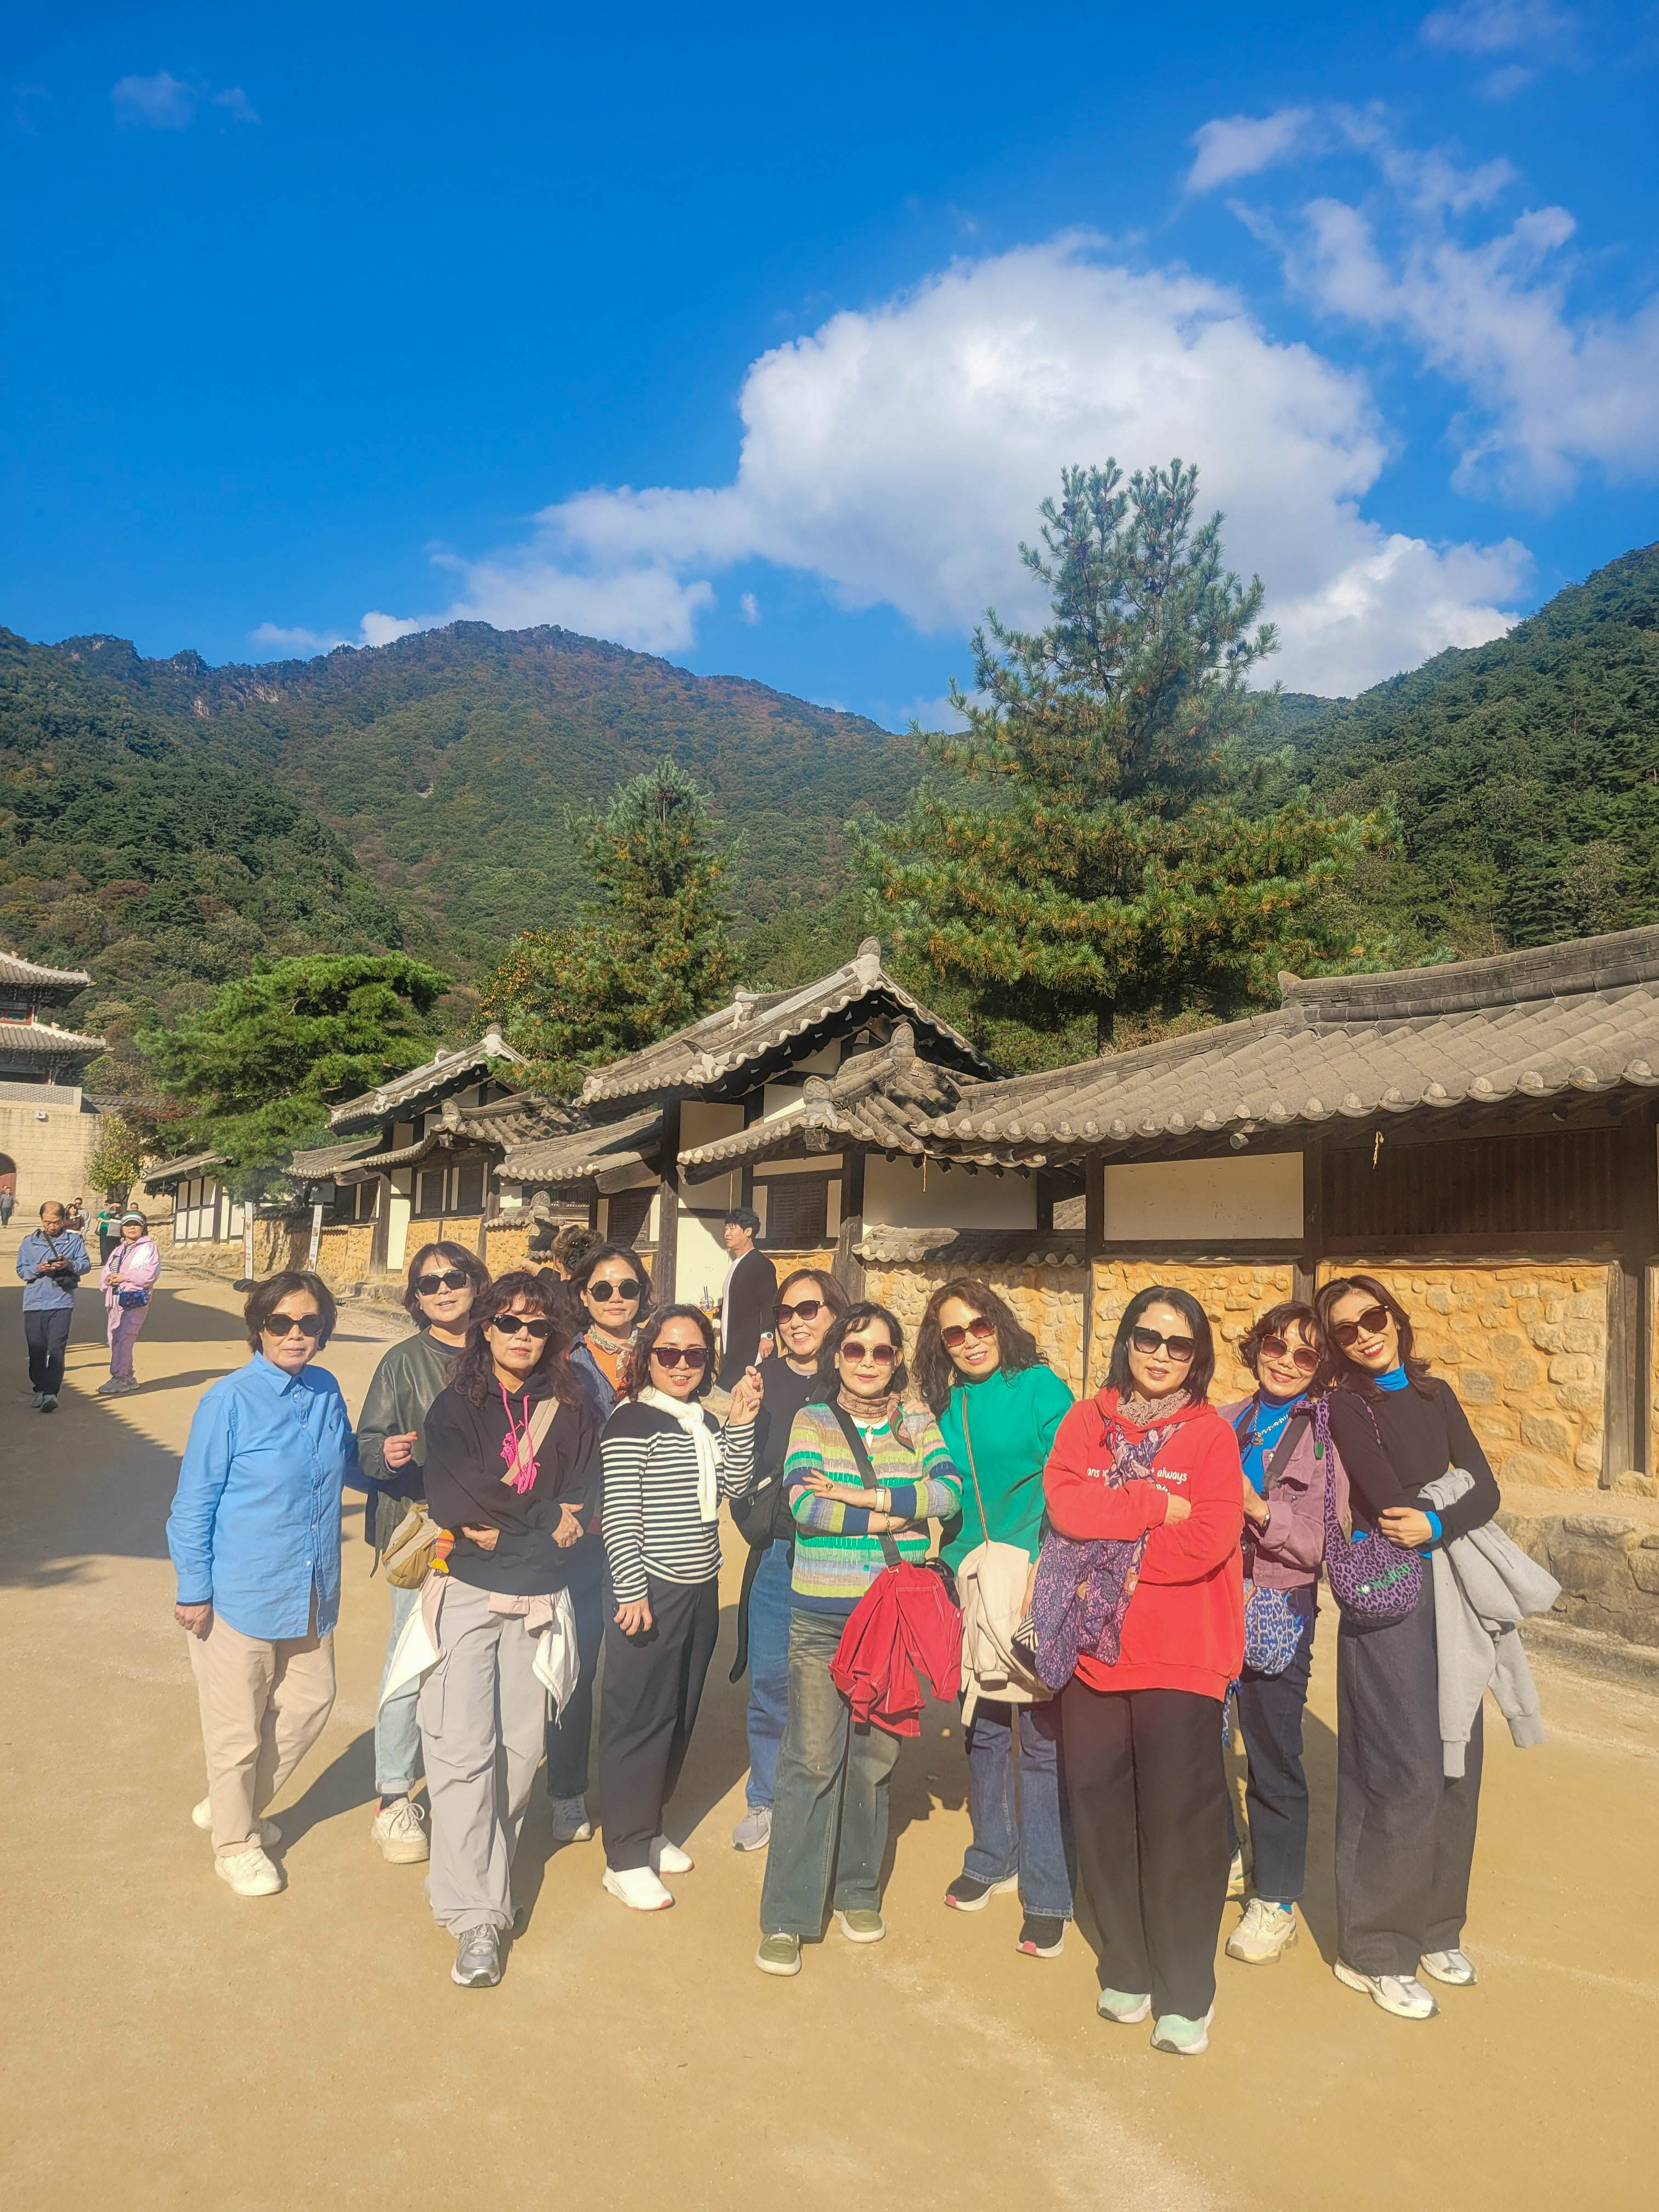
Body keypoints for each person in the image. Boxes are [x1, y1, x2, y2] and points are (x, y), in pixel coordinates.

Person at [1042, 1287, 1244, 2056]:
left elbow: (1211, 1539)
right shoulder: (1085, 1422)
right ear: (1126, 1341)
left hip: (1180, 1657)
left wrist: (1108, 1541)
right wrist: (1154, 1509)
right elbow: (1065, 1508)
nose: (1161, 1354)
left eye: (1178, 1344)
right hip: (1094, 1657)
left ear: (1198, 1356)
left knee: (1178, 1822)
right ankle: (1126, 1963)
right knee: (1099, 1810)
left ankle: (1186, 1989)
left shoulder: (1210, 1437)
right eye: (1147, 1338)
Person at [1315, 1273, 1502, 2022]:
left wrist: (1441, 1520)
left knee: (1459, 1762)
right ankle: (1373, 1950)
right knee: (1401, 1771)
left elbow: (1486, 1489)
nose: (1365, 1334)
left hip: (1453, 1593)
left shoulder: (1437, 1396)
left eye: (1373, 1317)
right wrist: (1441, 1506)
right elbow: (1391, 1501)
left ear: (1394, 1317)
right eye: (1346, 1330)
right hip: (1390, 1596)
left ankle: (1435, 1928)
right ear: (1337, 1347)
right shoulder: (1346, 1406)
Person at [755, 1302, 961, 1978]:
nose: (867, 1362)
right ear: (837, 1357)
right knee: (812, 1760)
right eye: (854, 1350)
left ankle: (857, 1889)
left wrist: (864, 1500)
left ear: (897, 1358)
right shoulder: (812, 1421)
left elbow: (950, 1495)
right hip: (823, 1617)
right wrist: (899, 1509)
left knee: (873, 1761)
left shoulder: (917, 1421)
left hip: (892, 1615)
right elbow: (803, 1507)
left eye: (881, 1351)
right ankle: (788, 1914)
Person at [419, 1270, 600, 1988]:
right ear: (486, 1329)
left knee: (520, 1756)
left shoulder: (575, 1410)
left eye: (537, 1326)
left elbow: (583, 1503)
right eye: (509, 1323)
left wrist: (519, 1529)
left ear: (553, 1335)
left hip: (541, 1597)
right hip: (469, 1594)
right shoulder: (455, 1409)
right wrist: (540, 1519)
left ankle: (482, 1886)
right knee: (463, 1753)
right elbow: (457, 1497)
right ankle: (477, 1917)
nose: (523, 1336)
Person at [166, 1272, 357, 1898]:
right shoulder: (228, 1401)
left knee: (310, 1703)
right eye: (281, 1322)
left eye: (310, 1322)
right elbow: (193, 1504)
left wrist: (385, 1459)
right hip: (240, 1591)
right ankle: (233, 1845)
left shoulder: (325, 1389)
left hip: (310, 1585)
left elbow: (344, 1458)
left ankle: (234, 1806)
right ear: (260, 1327)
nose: (295, 1334)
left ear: (324, 1329)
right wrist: (193, 1589)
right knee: (236, 1730)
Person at [916, 1277, 1075, 1957]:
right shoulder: (941, 1402)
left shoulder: (1040, 1388)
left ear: (1000, 1324)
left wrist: (1052, 1562)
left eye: (981, 1326)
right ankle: (992, 1856)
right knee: (981, 1728)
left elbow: (1073, 1478)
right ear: (941, 1343)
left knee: (1040, 1738)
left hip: (1034, 1574)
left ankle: (1048, 1890)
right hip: (968, 1578)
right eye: (955, 1332)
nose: (971, 1341)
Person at [596, 1304, 761, 1910]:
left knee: (679, 1713)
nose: (682, 1364)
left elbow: (734, 1487)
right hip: (650, 1590)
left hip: (699, 1588)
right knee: (638, 1719)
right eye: (669, 1353)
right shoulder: (631, 1423)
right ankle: (623, 1856)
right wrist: (631, 1589)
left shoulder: (703, 1423)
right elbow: (620, 1514)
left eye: (695, 1354)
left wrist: (740, 1424)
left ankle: (649, 1826)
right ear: (648, 1357)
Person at [356, 1240, 491, 1867]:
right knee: (411, 1658)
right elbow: (367, 1444)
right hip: (424, 1529)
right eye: (429, 1283)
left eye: (454, 1277)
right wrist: (386, 1455)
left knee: (478, 1662)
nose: (443, 1289)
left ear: (475, 1282)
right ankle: (392, 1796)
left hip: (493, 1531)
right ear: (414, 1298)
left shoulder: (502, 1347)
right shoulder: (402, 1362)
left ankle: (464, 1780)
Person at [1217, 1301, 1344, 1966]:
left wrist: (1259, 1510)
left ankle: (1277, 1900)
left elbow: (1325, 1545)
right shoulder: (1224, 1420)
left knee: (1271, 1754)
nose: (1286, 1362)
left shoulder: (1327, 1440)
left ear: (1320, 1368)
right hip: (1209, 1602)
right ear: (1256, 1347)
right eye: (1275, 1345)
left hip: (1276, 1607)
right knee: (1199, 1742)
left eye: (1305, 1354)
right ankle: (1230, 1852)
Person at [729, 1267, 849, 1853]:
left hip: (842, 1553)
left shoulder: (854, 1378)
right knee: (772, 1681)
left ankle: (832, 1798)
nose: (796, 1322)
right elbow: (736, 1473)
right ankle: (766, 1798)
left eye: (809, 1309)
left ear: (835, 1313)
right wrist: (739, 1419)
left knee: (838, 1682)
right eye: (785, 1312)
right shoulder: (761, 1381)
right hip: (778, 1551)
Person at [545, 1240, 656, 1844]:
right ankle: (567, 1791)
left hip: (648, 1536)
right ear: (583, 1297)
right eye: (603, 1289)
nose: (617, 1298)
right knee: (576, 1667)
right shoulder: (564, 1361)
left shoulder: (666, 1353)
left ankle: (630, 1794)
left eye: (628, 1288)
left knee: (636, 1675)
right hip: (585, 1539)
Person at [16, 1199, 89, 1412]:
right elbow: (21, 1270)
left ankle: (51, 1393)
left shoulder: (74, 1241)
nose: (52, 1226)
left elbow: (85, 1265)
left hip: (62, 1301)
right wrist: (38, 1268)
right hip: (34, 1303)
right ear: (41, 1219)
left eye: (56, 1222)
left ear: (64, 1220)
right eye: (47, 1222)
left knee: (57, 1349)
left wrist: (69, 1264)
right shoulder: (29, 1243)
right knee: (36, 1350)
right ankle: (39, 1388)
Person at [97, 1209, 161, 1396]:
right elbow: (108, 1270)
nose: (132, 1228)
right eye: (128, 1225)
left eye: (136, 1225)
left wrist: (124, 1277)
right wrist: (109, 1279)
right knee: (116, 1338)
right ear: (122, 1228)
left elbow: (149, 1275)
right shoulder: (120, 1249)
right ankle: (128, 1376)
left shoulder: (148, 1248)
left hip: (134, 1300)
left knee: (124, 1338)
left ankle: (119, 1378)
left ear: (143, 1227)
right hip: (116, 1299)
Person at [717, 1206, 777, 1388]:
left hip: (750, 1343)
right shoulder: (737, 1263)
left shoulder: (760, 1263)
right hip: (733, 1344)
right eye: (726, 1228)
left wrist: (767, 1335)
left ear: (748, 1231)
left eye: (732, 1228)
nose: (727, 1233)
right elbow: (739, 1301)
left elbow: (769, 1303)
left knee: (747, 1388)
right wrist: (718, 1311)